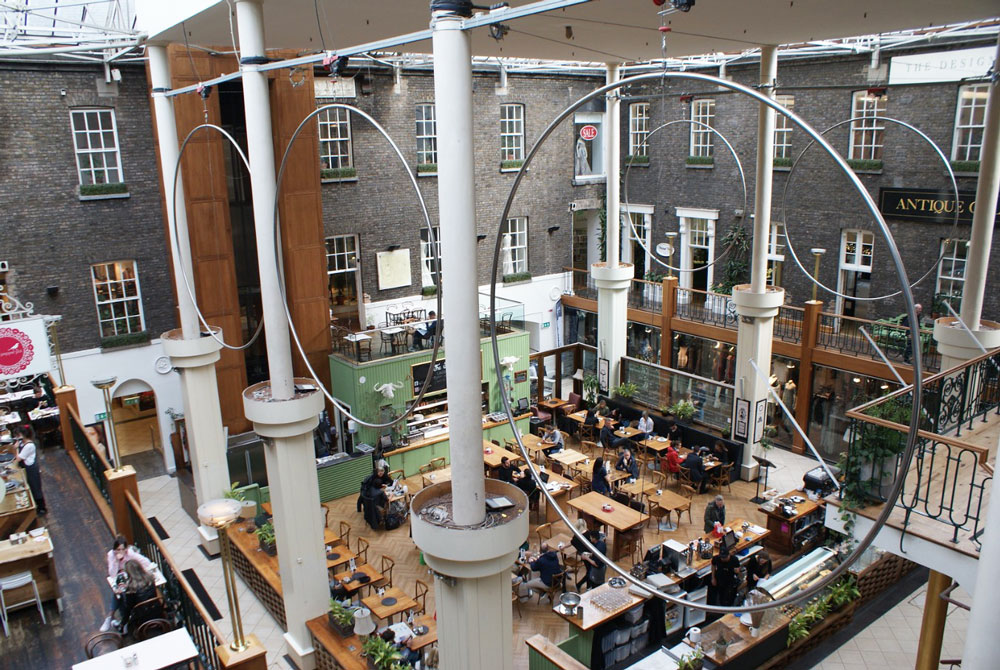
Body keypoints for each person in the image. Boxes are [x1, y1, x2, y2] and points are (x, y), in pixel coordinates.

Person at [103, 536, 155, 631]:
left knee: (120, 597)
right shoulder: (111, 555)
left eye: (123, 549)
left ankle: (121, 622)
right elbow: (112, 574)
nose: (121, 552)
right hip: (127, 578)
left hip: (134, 586)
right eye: (118, 549)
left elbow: (146, 562)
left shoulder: (130, 554)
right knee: (118, 595)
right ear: (114, 549)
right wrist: (116, 561)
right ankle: (118, 621)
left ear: (126, 549)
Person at [12, 425, 45, 515]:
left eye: (18, 435)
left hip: (31, 469)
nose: (17, 438)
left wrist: (15, 449)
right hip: (27, 468)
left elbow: (18, 458)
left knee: (35, 488)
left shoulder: (29, 446)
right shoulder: (23, 443)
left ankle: (42, 508)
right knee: (32, 487)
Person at [119, 559, 158, 632]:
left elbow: (129, 607)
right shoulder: (150, 578)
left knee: (122, 600)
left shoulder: (131, 588)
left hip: (141, 615)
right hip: (155, 609)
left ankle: (123, 624)